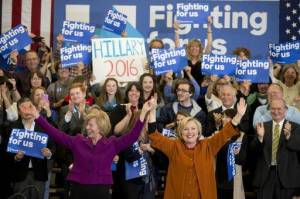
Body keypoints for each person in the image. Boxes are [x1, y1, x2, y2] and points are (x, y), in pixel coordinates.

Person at [25, 96, 155, 199]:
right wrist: (37, 116)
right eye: (87, 124)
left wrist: (143, 112)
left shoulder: (111, 144)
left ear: (100, 127)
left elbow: (132, 136)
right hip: (78, 189)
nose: (87, 128)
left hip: (101, 191)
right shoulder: (78, 141)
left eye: (91, 125)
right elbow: (56, 134)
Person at [147, 97, 247, 199]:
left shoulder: (208, 145)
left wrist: (239, 115)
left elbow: (225, 133)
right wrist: (152, 111)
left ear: (198, 132)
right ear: (180, 132)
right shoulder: (174, 146)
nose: (190, 132)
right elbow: (154, 135)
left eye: (193, 129)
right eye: (185, 129)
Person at [251, 99, 300, 199]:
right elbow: (253, 151)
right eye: (273, 109)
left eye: (279, 109)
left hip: (287, 179)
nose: (276, 111)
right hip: (265, 177)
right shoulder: (261, 126)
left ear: (285, 110)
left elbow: (298, 147)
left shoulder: (295, 127)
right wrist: (260, 138)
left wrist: (288, 137)